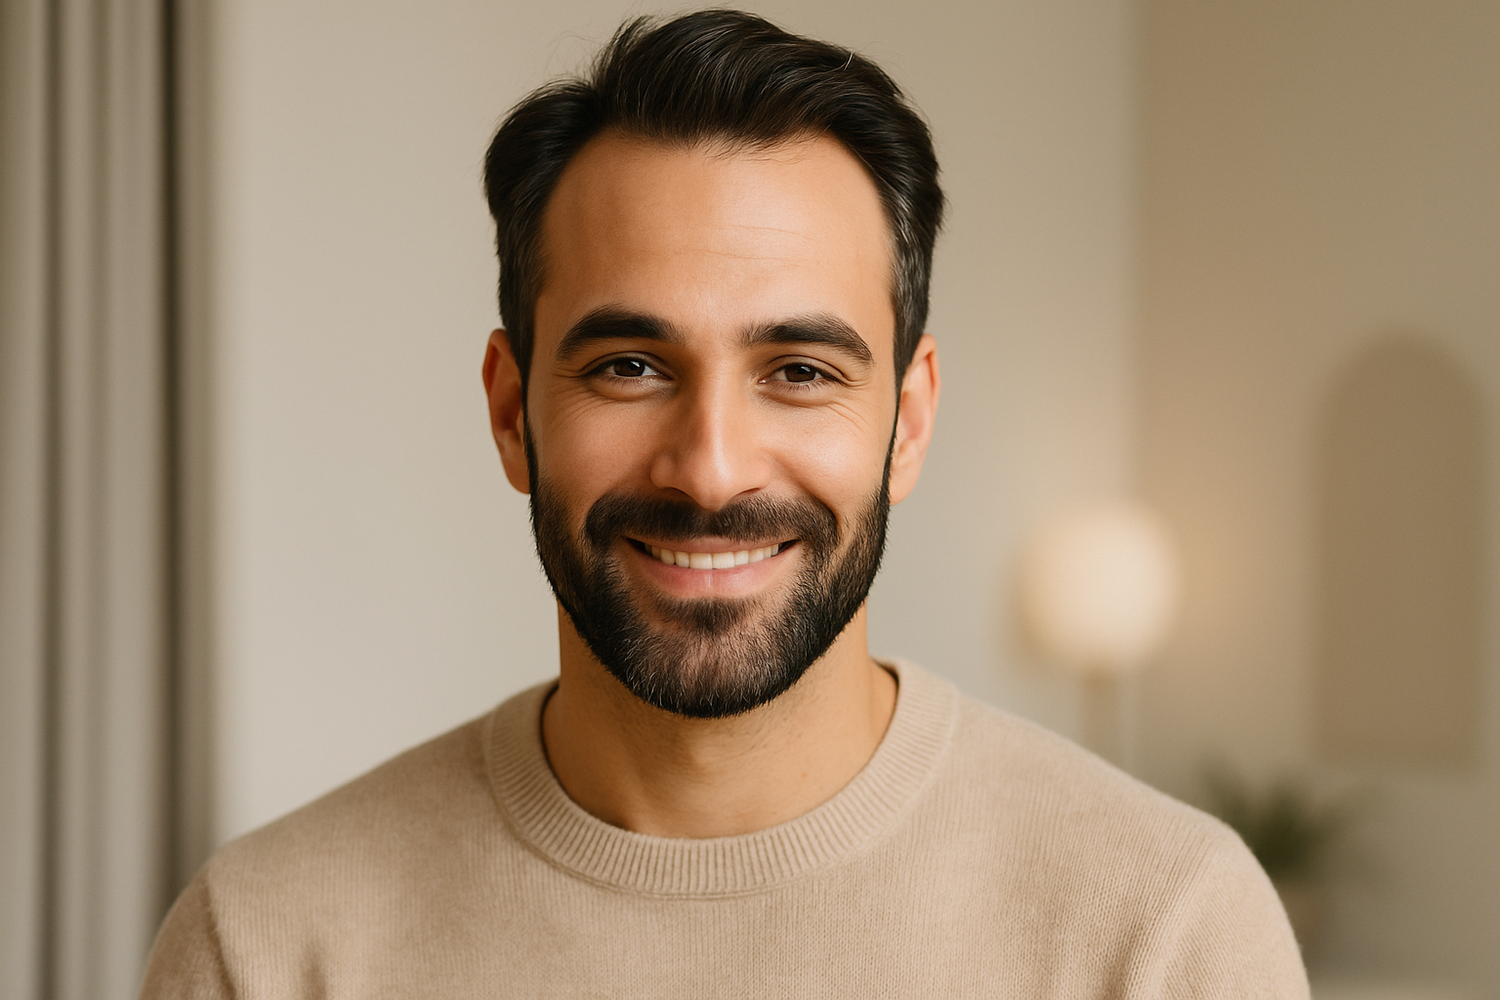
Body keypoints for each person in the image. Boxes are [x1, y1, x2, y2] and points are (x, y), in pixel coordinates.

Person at [140, 10, 1308, 997]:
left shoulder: (1163, 933)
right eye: (629, 366)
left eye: (800, 372)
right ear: (511, 411)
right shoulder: (268, 946)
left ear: (906, 421)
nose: (709, 469)